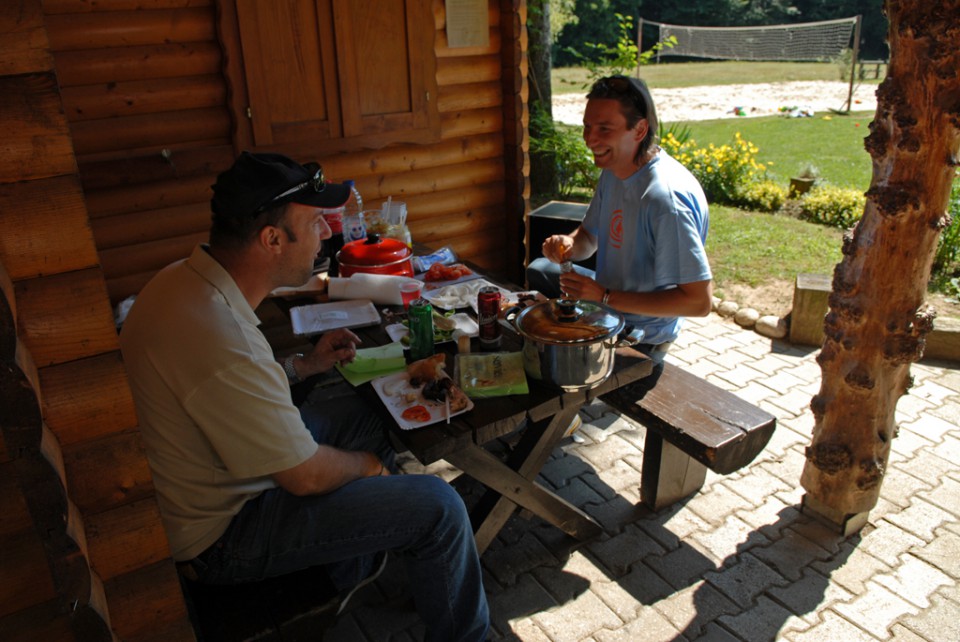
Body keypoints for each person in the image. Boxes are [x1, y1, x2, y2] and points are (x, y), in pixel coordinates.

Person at [119, 151, 489, 641]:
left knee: (369, 413)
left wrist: (305, 365)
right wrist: (369, 470)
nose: (327, 234)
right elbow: (306, 476)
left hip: (225, 474)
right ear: (272, 239)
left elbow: (226, 390)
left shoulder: (181, 282)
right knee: (439, 507)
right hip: (226, 534)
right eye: (315, 222)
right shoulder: (220, 333)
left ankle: (359, 554)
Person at [527, 75, 713, 363]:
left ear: (639, 129)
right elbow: (588, 239)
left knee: (544, 369)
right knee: (539, 269)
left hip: (641, 333)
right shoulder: (615, 170)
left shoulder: (665, 201)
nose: (590, 139)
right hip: (606, 303)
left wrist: (604, 298)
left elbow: (699, 302)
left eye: (604, 129)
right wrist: (568, 244)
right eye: (587, 127)